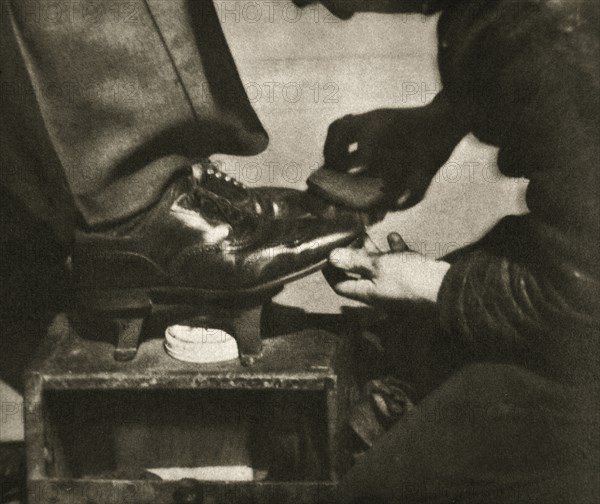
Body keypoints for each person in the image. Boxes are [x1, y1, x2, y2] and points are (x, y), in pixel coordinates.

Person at [291, 0, 600, 502]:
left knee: (380, 492)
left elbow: (585, 300)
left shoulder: (561, 38)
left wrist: (433, 284)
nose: (339, 12)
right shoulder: (543, 29)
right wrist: (441, 120)